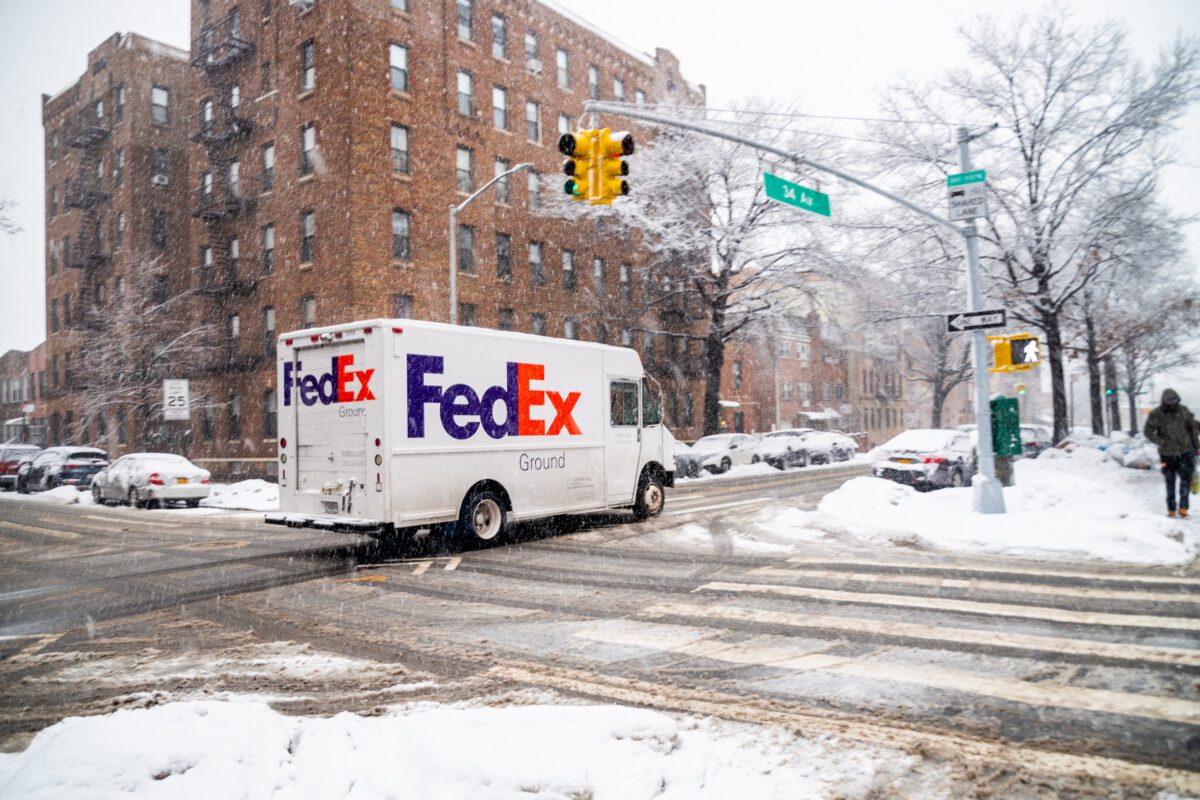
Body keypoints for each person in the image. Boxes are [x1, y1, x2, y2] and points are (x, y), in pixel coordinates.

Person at [1144, 388, 1200, 518]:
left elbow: (1193, 430)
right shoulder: (1156, 414)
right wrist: (1160, 441)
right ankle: (1171, 509)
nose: (1172, 403)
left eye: (1174, 400)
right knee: (1170, 482)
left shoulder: (1183, 411)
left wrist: (1197, 446)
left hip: (1185, 452)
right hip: (1167, 454)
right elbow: (1148, 431)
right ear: (1164, 401)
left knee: (1185, 481)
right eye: (1170, 401)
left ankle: (1183, 509)